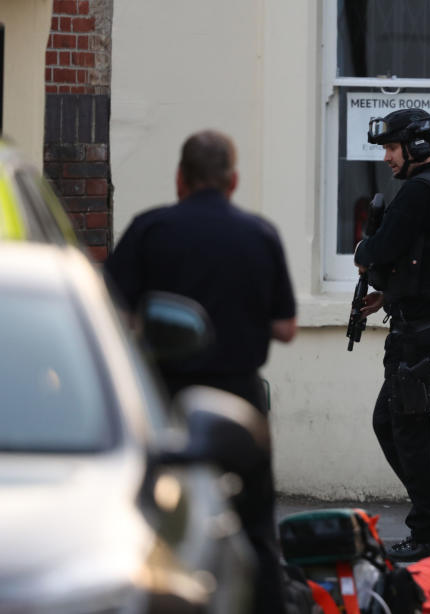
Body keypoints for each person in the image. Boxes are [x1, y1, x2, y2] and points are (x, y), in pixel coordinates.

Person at [104, 129, 297, 613]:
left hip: (166, 403)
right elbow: (287, 326)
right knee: (256, 531)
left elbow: (111, 313)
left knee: (154, 527)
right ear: (232, 181)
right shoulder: (260, 234)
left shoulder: (150, 229)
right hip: (239, 405)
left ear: (179, 178)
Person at [354, 108, 430, 562]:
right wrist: (387, 297)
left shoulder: (418, 193)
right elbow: (428, 262)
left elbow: (382, 249)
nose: (387, 157)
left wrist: (364, 253)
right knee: (394, 423)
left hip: (420, 334)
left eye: (391, 147)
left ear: (417, 146)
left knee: (406, 428)